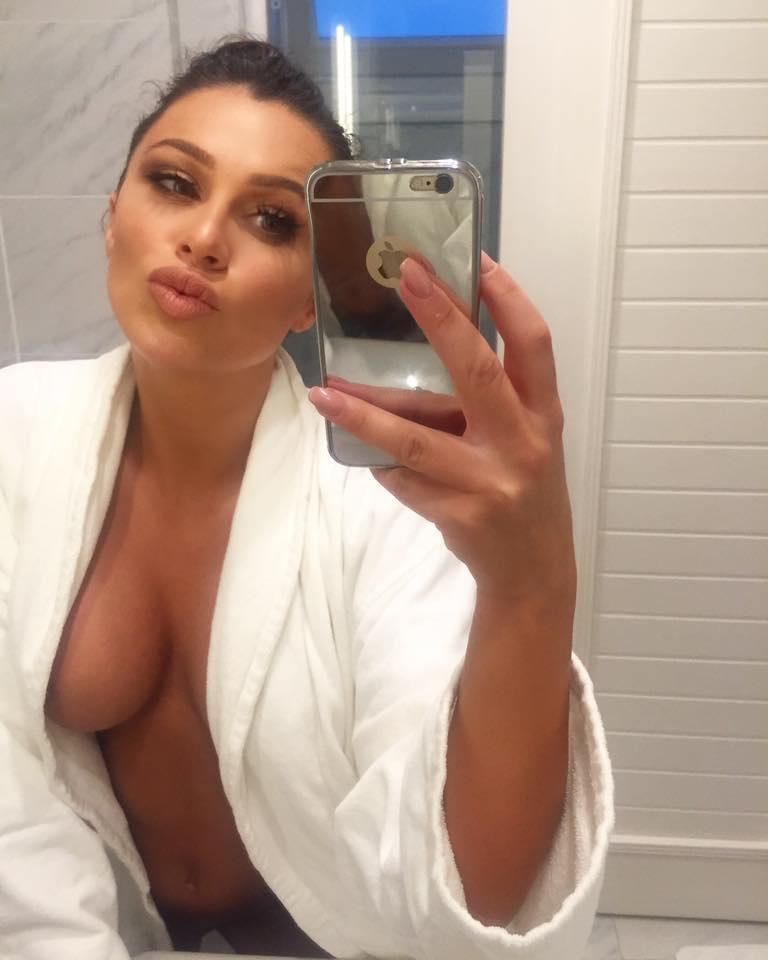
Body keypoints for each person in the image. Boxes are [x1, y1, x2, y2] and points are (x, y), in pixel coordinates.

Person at [0, 37, 613, 959]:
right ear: (112, 216)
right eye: (175, 182)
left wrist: (533, 586)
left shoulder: (383, 498)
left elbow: (473, 891)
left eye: (272, 220)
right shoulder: (16, 437)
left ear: (308, 302)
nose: (205, 237)